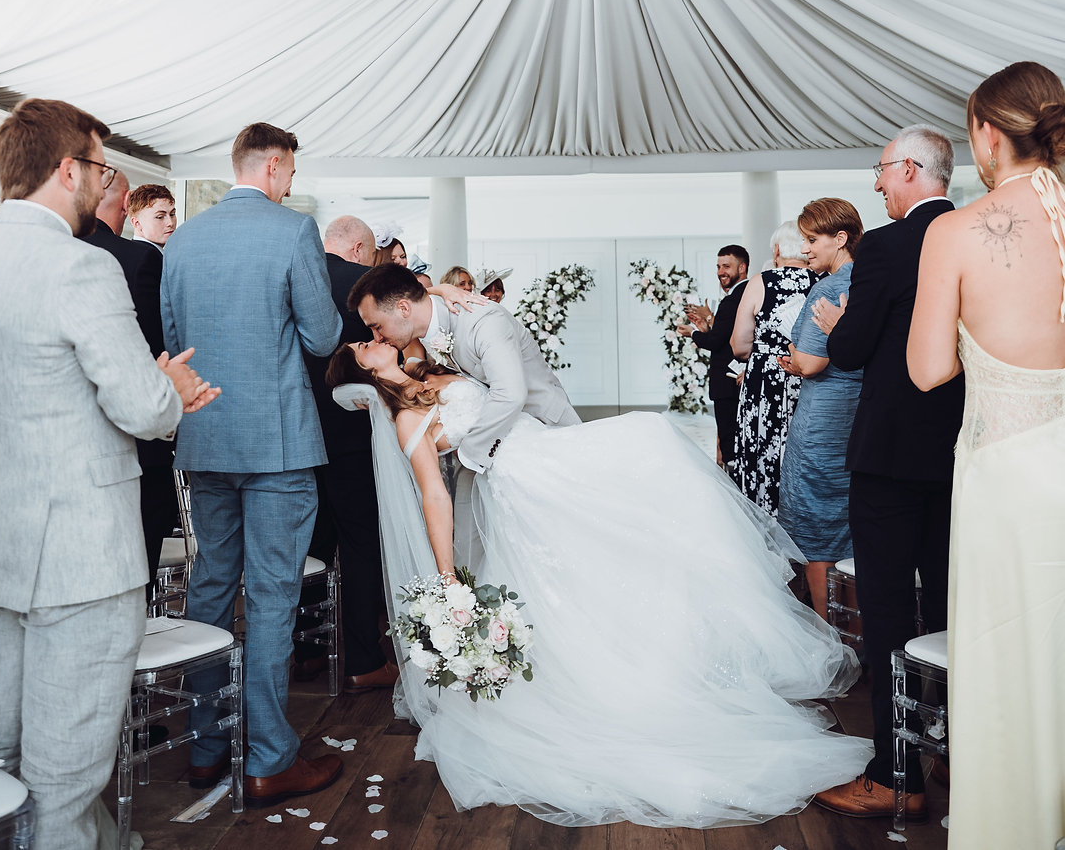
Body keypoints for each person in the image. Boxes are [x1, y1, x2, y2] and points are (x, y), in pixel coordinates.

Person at [330, 331, 872, 829]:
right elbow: (434, 495)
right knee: (644, 454)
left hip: (542, 448)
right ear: (365, 374)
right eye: (363, 346)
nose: (372, 338)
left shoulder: (426, 370)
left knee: (648, 465)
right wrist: (448, 579)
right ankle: (625, 677)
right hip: (527, 478)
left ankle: (668, 651)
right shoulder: (406, 420)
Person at [0, 98, 215, 850]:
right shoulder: (81, 266)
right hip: (78, 560)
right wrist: (168, 386)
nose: (104, 182)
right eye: (101, 168)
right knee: (64, 780)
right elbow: (142, 408)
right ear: (67, 170)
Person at [160, 122, 343, 808]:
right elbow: (323, 336)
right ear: (272, 164)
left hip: (205, 435)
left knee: (210, 586)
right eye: (290, 170)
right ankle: (267, 757)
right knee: (271, 594)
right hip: (277, 444)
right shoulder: (293, 231)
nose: (291, 183)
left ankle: (206, 748)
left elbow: (175, 343)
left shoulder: (183, 239)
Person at [907, 61, 1065, 850]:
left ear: (986, 134)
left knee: (1012, 664)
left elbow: (928, 368)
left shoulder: (956, 231)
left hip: (1010, 480)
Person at [812, 126, 963, 823]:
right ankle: (956, 752)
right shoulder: (975, 234)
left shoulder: (888, 245)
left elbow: (849, 350)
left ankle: (896, 775)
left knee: (889, 612)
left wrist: (841, 321)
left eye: (879, 170)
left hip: (891, 457)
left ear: (907, 169)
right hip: (963, 452)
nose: (876, 183)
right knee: (953, 606)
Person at [297, 214, 398, 692]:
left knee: (311, 544)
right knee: (359, 545)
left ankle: (307, 651)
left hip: (300, 434)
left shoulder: (297, 279)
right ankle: (362, 659)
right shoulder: (364, 285)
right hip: (353, 432)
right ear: (359, 249)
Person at [350, 264, 580, 471]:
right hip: (508, 450)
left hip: (548, 430)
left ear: (403, 309)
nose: (376, 338)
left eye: (377, 326)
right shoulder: (425, 328)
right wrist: (439, 289)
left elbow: (510, 394)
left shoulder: (483, 321)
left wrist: (470, 453)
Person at [81, 171, 177, 602]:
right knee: (138, 548)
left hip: (72, 437)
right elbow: (155, 348)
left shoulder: (57, 250)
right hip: (135, 435)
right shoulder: (139, 259)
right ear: (127, 208)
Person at [776, 200, 863, 618]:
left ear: (840, 238)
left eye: (812, 240)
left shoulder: (827, 288)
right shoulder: (868, 280)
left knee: (815, 521)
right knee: (849, 516)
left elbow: (811, 363)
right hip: (857, 412)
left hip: (823, 419)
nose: (805, 249)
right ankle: (860, 629)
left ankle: (830, 633)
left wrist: (794, 356)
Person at [730, 221, 813, 515]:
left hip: (766, 381)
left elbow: (739, 345)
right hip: (810, 378)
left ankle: (763, 513)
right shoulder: (822, 282)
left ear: (776, 251)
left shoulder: (760, 282)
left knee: (763, 445)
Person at [677, 244, 750, 468]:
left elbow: (716, 342)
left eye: (726, 266)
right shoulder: (747, 294)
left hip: (729, 382)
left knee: (730, 442)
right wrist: (707, 325)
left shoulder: (733, 299)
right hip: (738, 379)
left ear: (742, 267)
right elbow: (726, 335)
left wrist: (694, 333)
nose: (720, 272)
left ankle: (733, 482)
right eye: (718, 267)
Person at [128, 183, 176, 248]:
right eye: (160, 217)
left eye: (172, 214)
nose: (171, 223)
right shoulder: (147, 253)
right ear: (137, 223)